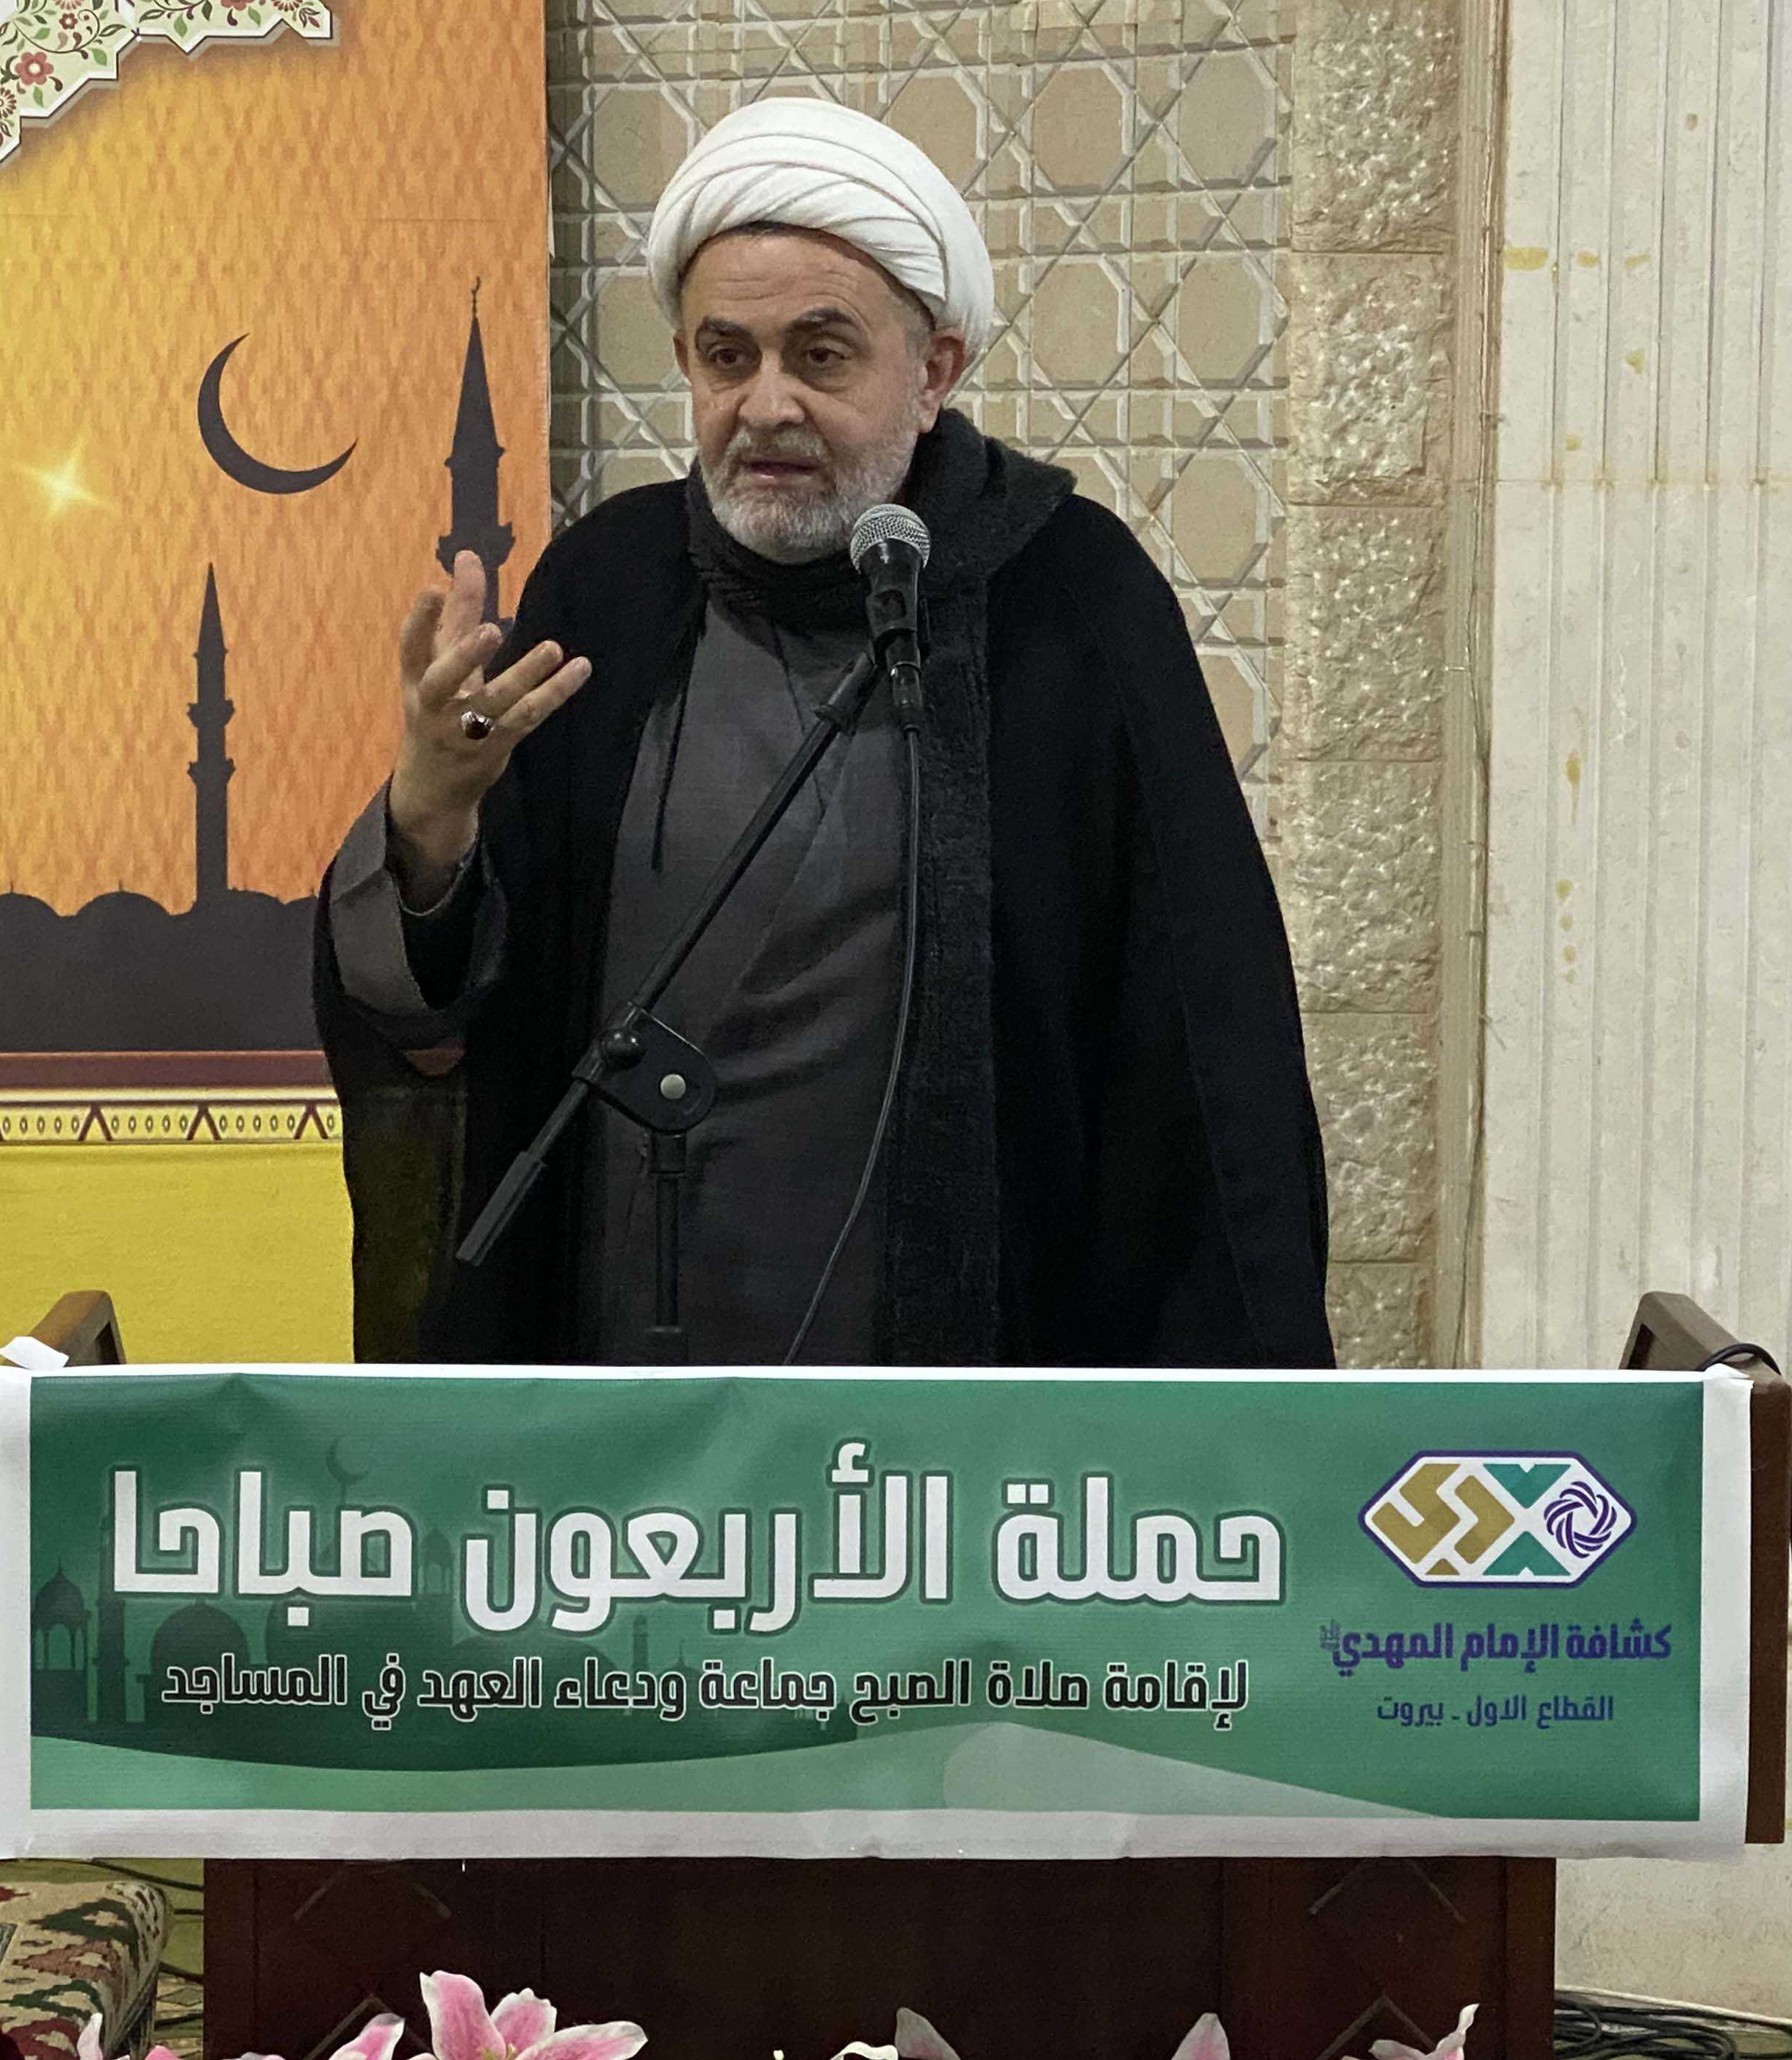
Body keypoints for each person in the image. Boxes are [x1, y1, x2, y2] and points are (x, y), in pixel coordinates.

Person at [313, 96, 1331, 1371]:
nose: (768, 404)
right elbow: (457, 1023)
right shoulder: (610, 590)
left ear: (934, 371)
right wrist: (430, 816)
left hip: (965, 1376)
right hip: (630, 1357)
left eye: (822, 355)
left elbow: (1204, 1041)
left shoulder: (1071, 598)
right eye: (726, 357)